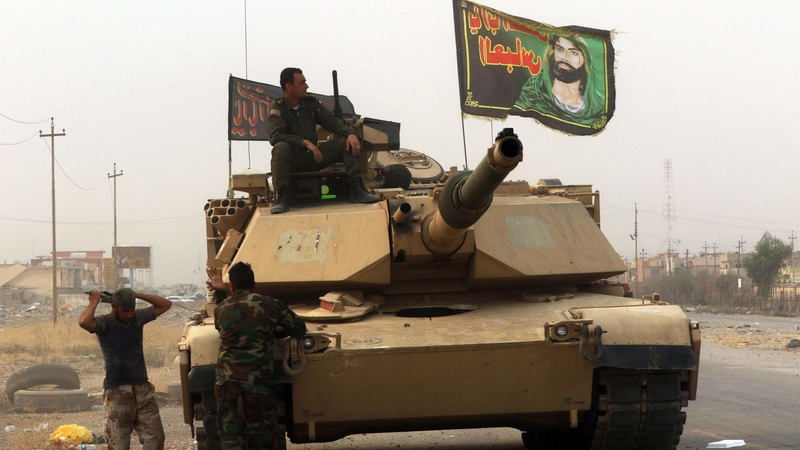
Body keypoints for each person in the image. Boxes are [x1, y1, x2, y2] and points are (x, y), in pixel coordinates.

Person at [207, 262, 307, 449]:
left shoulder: (221, 309)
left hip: (227, 381)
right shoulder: (269, 304)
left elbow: (222, 325)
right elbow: (298, 328)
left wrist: (220, 291)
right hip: (258, 382)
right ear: (253, 285)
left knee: (230, 432)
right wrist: (274, 330)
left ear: (232, 286)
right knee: (261, 433)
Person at [267, 67, 380, 214]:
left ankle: (357, 189)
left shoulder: (310, 102)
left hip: (315, 157)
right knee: (280, 147)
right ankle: (282, 198)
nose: (306, 86)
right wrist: (304, 142)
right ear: (289, 86)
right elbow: (275, 136)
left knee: (346, 143)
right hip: (293, 159)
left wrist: (349, 134)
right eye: (302, 83)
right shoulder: (278, 107)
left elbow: (330, 121)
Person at [79, 288, 172, 450]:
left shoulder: (138, 318)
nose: (129, 314)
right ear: (114, 306)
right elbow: (84, 322)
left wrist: (137, 295)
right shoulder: (104, 323)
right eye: (125, 311)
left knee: (155, 437)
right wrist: (94, 302)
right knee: (118, 442)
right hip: (117, 390)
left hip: (142, 387)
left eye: (131, 310)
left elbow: (165, 304)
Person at [512, 34, 606, 126]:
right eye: (559, 49)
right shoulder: (532, 93)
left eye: (574, 53)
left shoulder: (597, 108)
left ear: (585, 61)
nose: (564, 58)